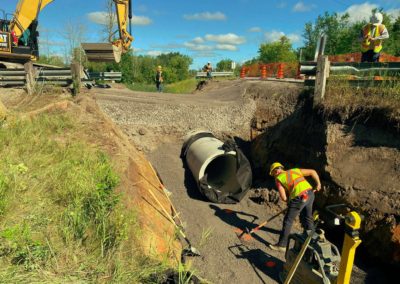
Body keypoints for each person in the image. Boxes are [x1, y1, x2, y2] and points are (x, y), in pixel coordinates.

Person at [268, 162, 321, 252]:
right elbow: (313, 172)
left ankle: (282, 245)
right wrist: (318, 184)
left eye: (273, 174)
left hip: (299, 197)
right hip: (310, 193)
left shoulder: (279, 178)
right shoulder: (294, 170)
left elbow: (283, 197)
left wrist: (290, 202)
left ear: (276, 171)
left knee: (288, 220)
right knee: (308, 218)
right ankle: (312, 241)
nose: (274, 176)